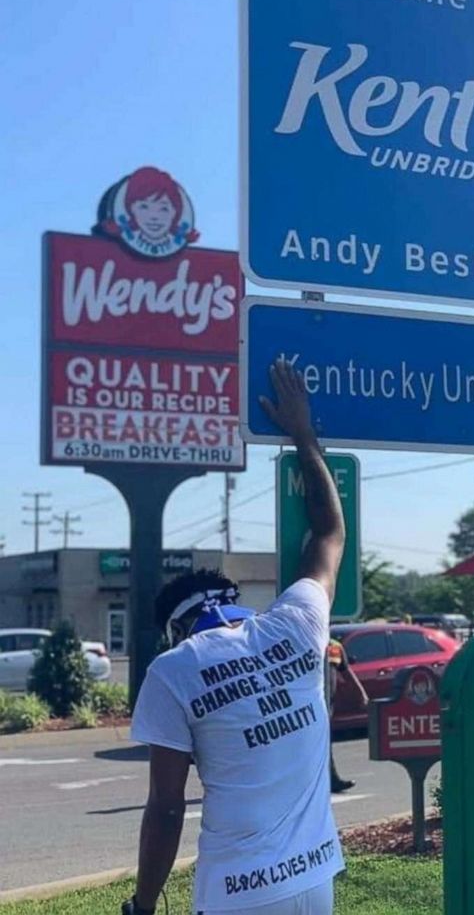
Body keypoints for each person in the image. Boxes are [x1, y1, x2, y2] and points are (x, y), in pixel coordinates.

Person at [124, 360, 346, 915]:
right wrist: (302, 431)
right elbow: (328, 530)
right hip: (315, 879)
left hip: (236, 893)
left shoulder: (173, 670)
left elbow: (167, 809)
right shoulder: (295, 622)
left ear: (175, 629)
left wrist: (144, 906)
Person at [326, 638, 368, 794]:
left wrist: (361, 694)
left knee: (325, 743)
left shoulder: (334, 647)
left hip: (327, 704)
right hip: (307, 706)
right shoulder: (305, 642)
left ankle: (332, 779)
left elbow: (346, 671)